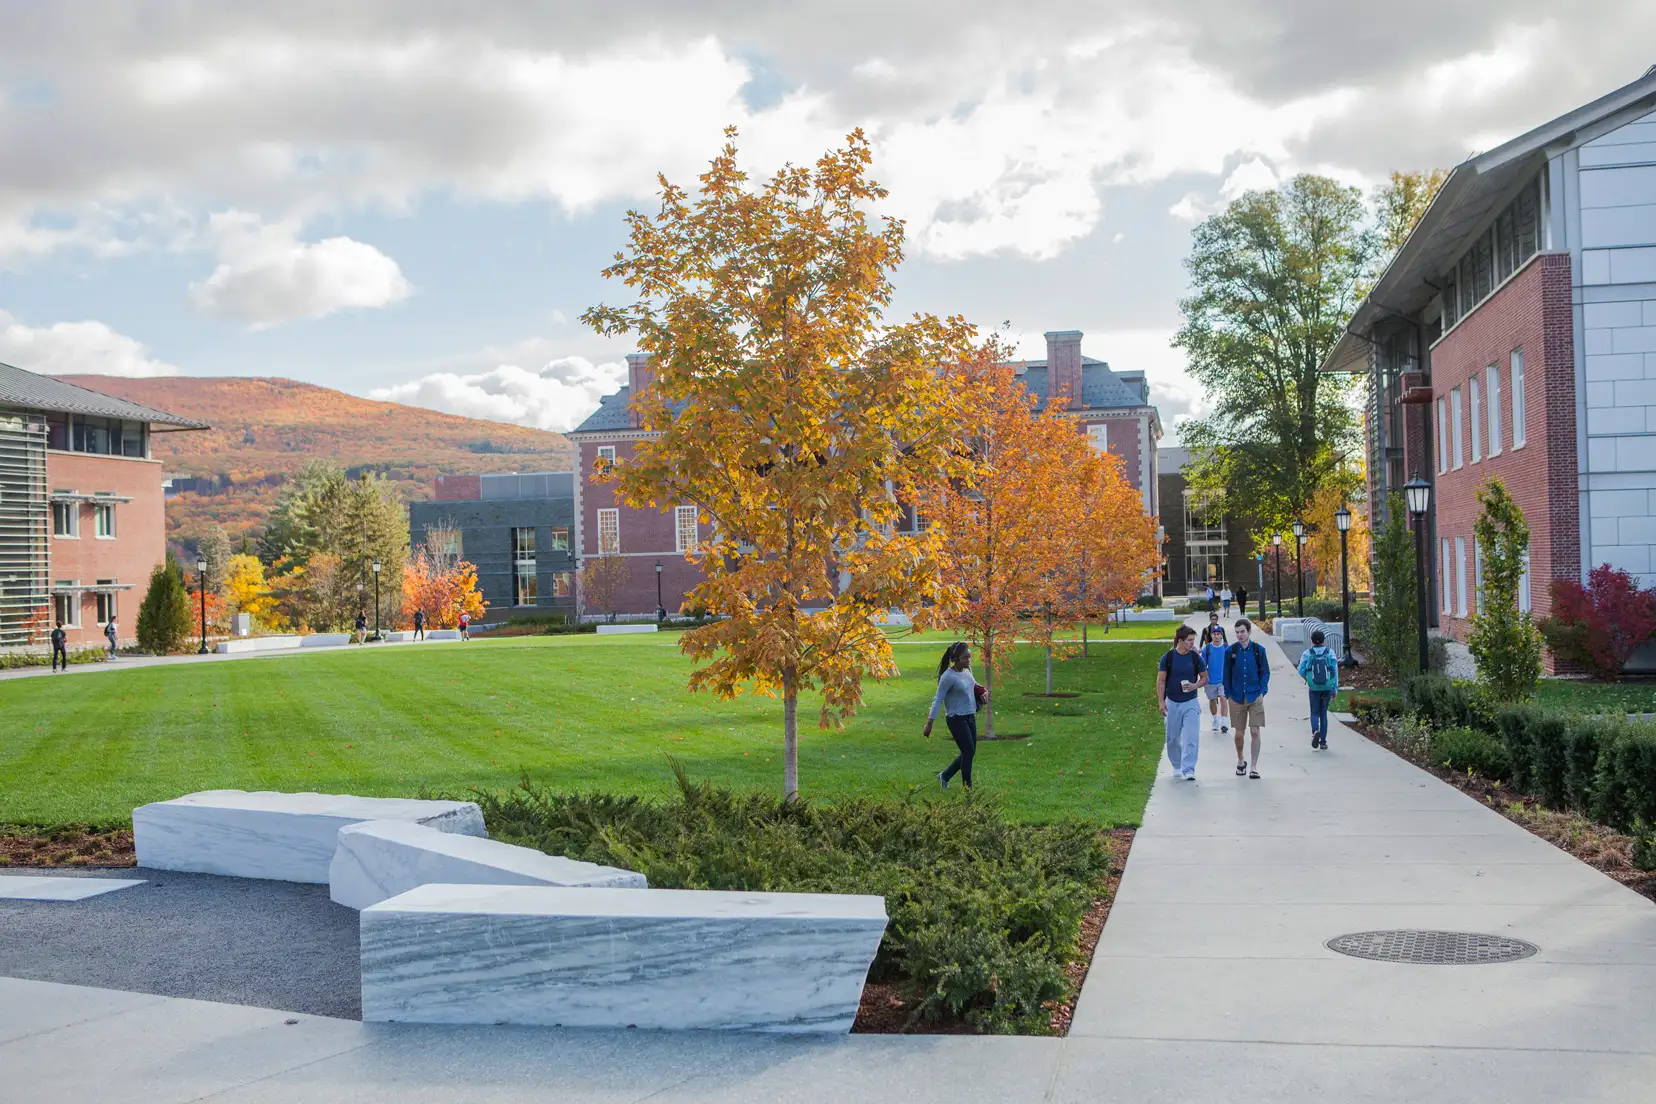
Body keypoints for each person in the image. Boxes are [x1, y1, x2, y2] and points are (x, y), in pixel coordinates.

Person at [924, 641, 982, 791]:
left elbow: (973, 685)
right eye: (965, 658)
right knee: (968, 751)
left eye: (969, 656)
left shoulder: (967, 669)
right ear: (955, 659)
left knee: (969, 752)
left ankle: (944, 776)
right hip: (956, 719)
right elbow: (938, 700)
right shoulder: (947, 677)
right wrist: (929, 723)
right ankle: (967, 790)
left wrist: (983, 693)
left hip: (970, 716)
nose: (969, 660)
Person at [1156, 624, 1207, 781]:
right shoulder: (1168, 658)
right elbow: (1161, 681)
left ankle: (1189, 769)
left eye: (1193, 640)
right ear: (1180, 640)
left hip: (1190, 702)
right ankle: (1177, 765)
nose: (1193, 643)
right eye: (1190, 640)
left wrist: (1195, 685)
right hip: (1172, 702)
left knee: (1191, 737)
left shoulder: (1195, 658)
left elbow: (1205, 678)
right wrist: (1161, 703)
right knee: (1172, 738)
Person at [1223, 618, 1271, 779]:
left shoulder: (1259, 650)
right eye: (1237, 632)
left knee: (1255, 731)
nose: (1240, 635)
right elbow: (1226, 675)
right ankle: (1240, 759)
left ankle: (1254, 767)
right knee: (1239, 734)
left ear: (1249, 631)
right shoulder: (1230, 652)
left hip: (1255, 695)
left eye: (1242, 632)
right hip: (1236, 697)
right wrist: (1228, 694)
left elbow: (1265, 672)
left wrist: (1262, 690)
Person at [1298, 628, 1341, 750]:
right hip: (1327, 687)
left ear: (1312, 641)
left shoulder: (1307, 653)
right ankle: (1323, 741)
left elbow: (1301, 670)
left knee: (1314, 712)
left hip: (1313, 687)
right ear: (1323, 640)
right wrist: (1334, 688)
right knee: (1324, 714)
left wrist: (1308, 677)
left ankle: (1315, 731)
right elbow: (1334, 671)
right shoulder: (1330, 652)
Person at [1200, 622, 1230, 736]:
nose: (1216, 636)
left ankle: (1224, 722)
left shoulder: (1227, 648)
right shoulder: (1207, 649)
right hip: (1210, 680)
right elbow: (1203, 665)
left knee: (1223, 698)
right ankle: (1215, 720)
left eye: (1218, 634)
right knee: (1212, 701)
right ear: (1211, 636)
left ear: (1221, 635)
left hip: (1223, 680)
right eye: (1214, 634)